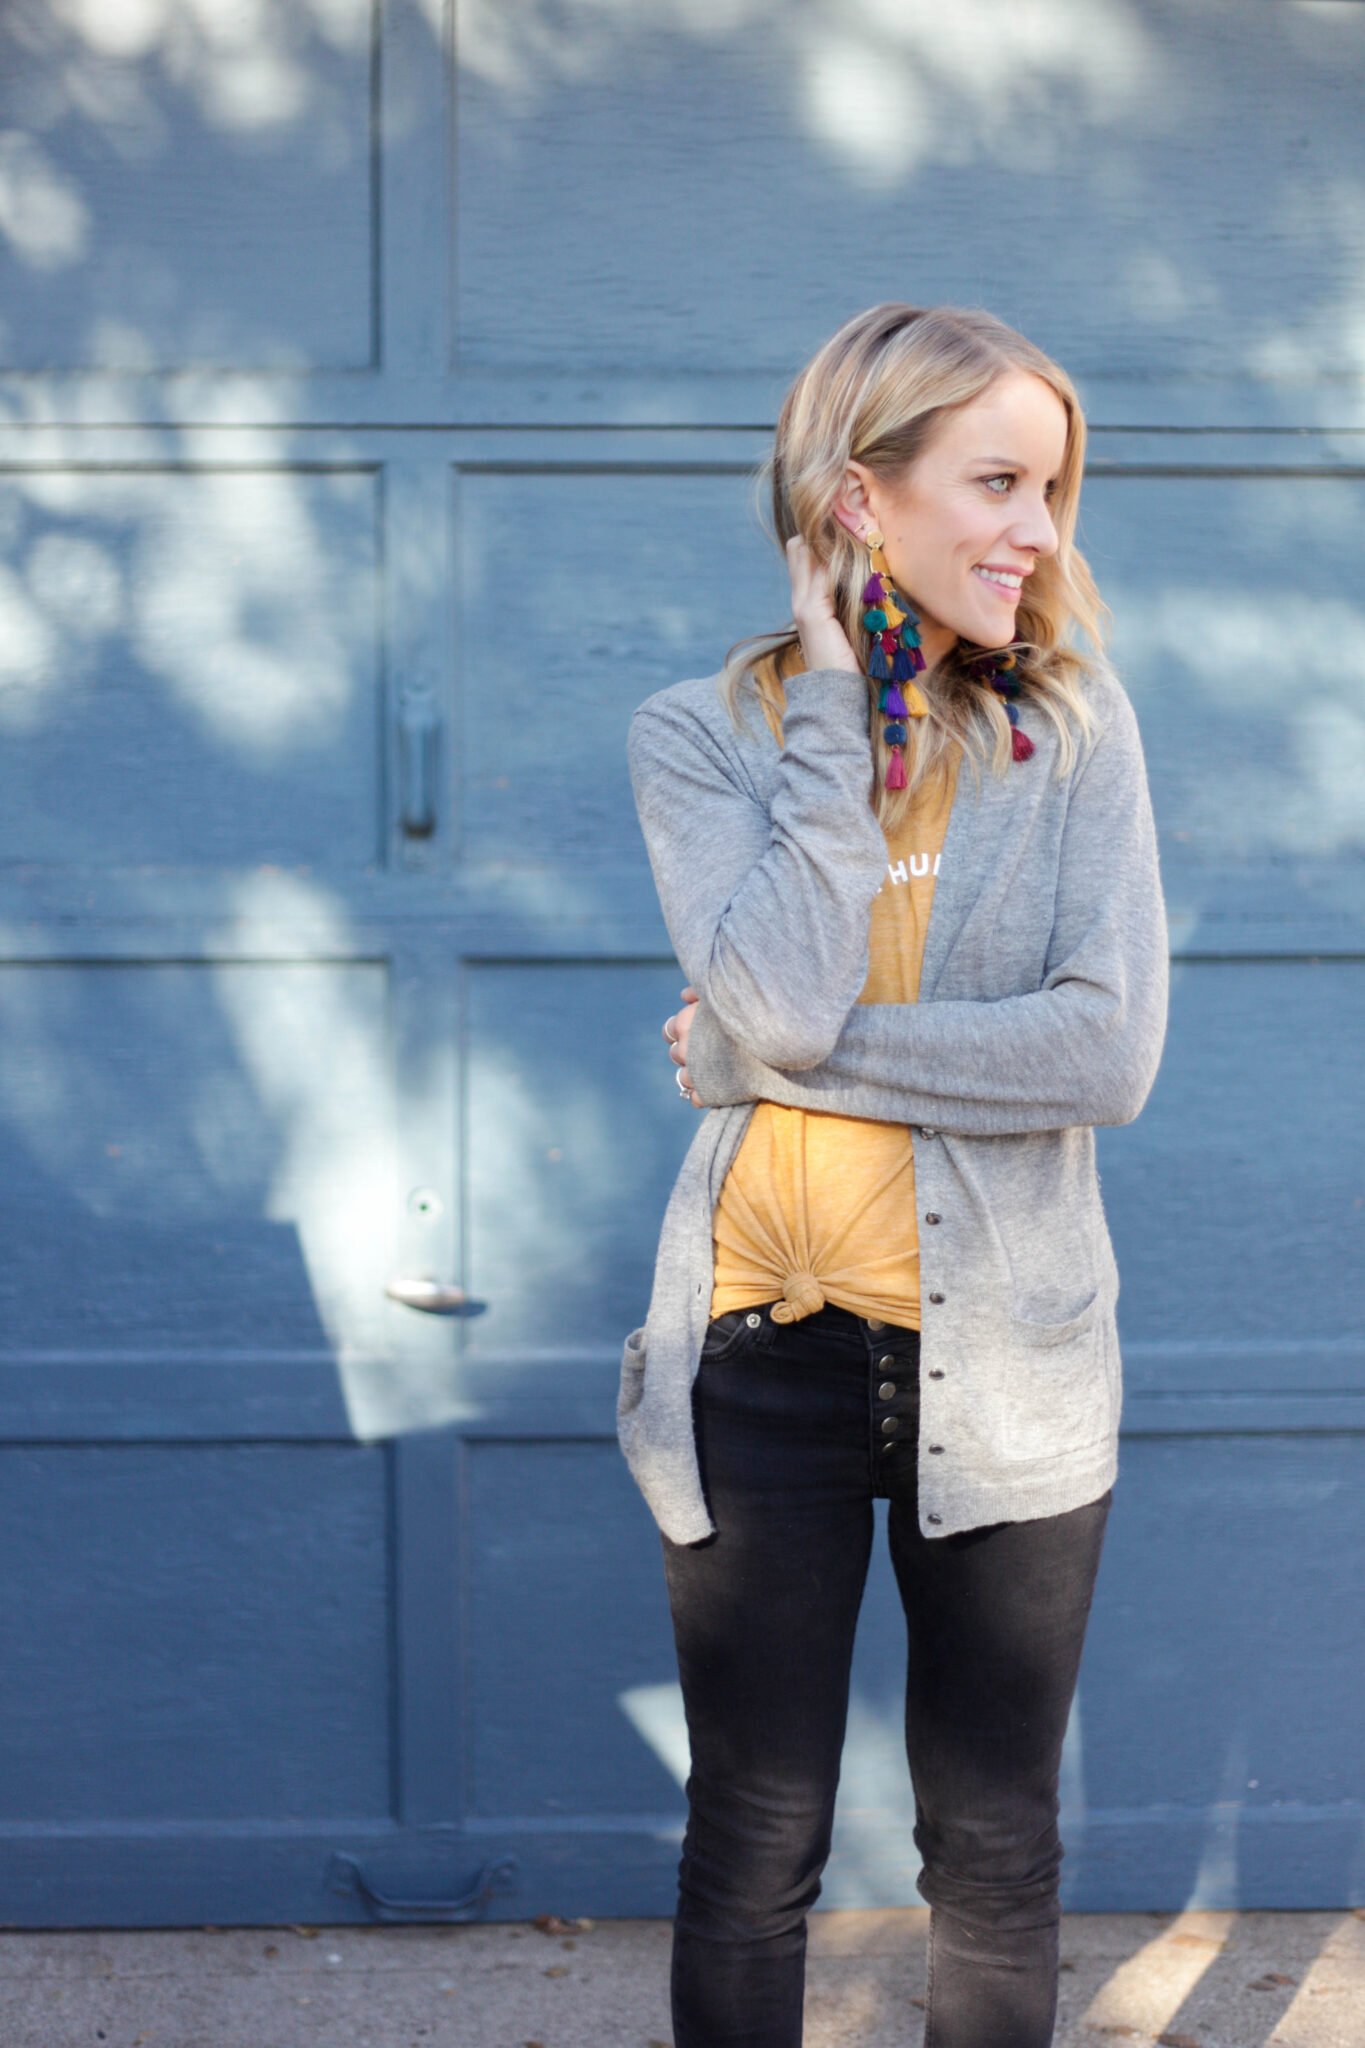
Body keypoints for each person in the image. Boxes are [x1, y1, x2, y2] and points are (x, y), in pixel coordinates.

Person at [617, 301, 1169, 2048]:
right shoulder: (703, 735)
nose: (1039, 530)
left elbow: (1103, 1053)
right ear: (861, 497)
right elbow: (776, 981)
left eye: (1053, 489)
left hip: (1007, 1355)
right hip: (759, 1357)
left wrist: (756, 1058)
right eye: (997, 480)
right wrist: (839, 715)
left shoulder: (1074, 732)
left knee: (992, 1846)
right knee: (753, 1840)